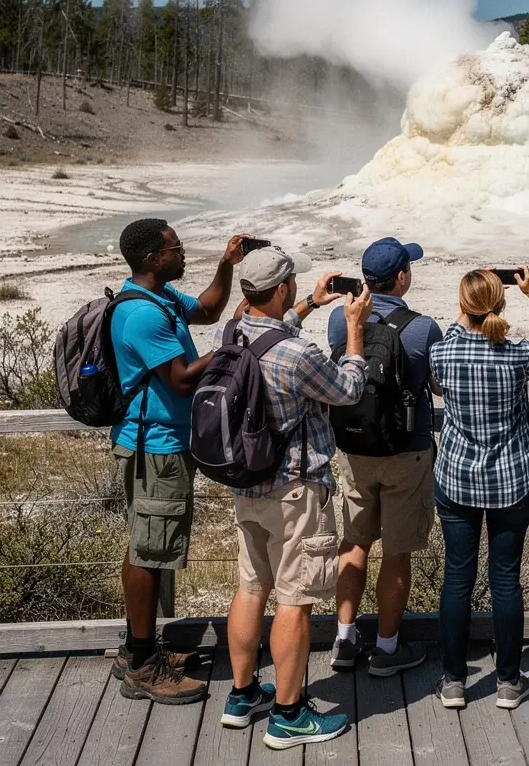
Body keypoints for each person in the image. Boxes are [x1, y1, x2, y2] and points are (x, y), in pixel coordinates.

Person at [222, 246, 372, 749]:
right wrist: (354, 331)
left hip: (248, 483)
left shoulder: (234, 331)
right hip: (295, 490)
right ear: (280, 288)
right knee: (296, 598)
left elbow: (272, 328)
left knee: (251, 587)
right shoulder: (297, 355)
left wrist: (308, 303)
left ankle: (242, 695)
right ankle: (288, 714)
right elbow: (348, 389)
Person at [111, 218, 245, 704]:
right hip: (156, 447)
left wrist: (226, 265)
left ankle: (136, 650)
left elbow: (208, 309)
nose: (182, 253)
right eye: (175, 248)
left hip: (162, 442)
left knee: (146, 544)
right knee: (150, 550)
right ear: (152, 259)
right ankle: (144, 667)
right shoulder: (143, 315)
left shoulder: (161, 298)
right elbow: (183, 380)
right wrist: (232, 348)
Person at [429, 267, 529, 711]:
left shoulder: (443, 353)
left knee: (457, 578)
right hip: (510, 478)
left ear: (462, 305)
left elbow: (452, 337)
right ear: (500, 303)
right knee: (506, 577)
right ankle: (508, 681)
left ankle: (453, 681)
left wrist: (468, 313)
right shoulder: (516, 354)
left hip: (458, 478)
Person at [327, 237, 443, 676]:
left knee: (354, 542)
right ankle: (388, 649)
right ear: (401, 277)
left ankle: (344, 638)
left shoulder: (342, 322)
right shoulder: (422, 326)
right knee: (397, 552)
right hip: (407, 451)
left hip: (355, 448)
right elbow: (435, 386)